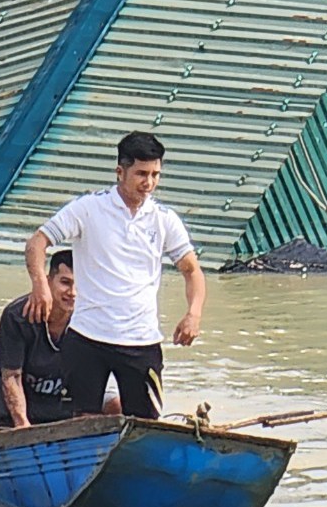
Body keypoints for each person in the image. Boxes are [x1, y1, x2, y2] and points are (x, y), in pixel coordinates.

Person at [23, 131, 206, 420]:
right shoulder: (88, 209)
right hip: (87, 337)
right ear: (120, 172)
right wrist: (40, 287)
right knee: (83, 421)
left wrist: (193, 314)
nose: (149, 183)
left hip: (141, 340)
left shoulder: (164, 219)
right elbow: (38, 242)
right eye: (141, 174)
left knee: (145, 423)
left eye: (156, 174)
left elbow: (191, 270)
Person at [0, 249, 120, 427]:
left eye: (79, 285)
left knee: (117, 405)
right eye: (65, 283)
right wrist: (22, 423)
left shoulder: (92, 317)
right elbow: (11, 376)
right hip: (22, 394)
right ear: (48, 282)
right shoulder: (18, 315)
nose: (72, 292)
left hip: (67, 399)